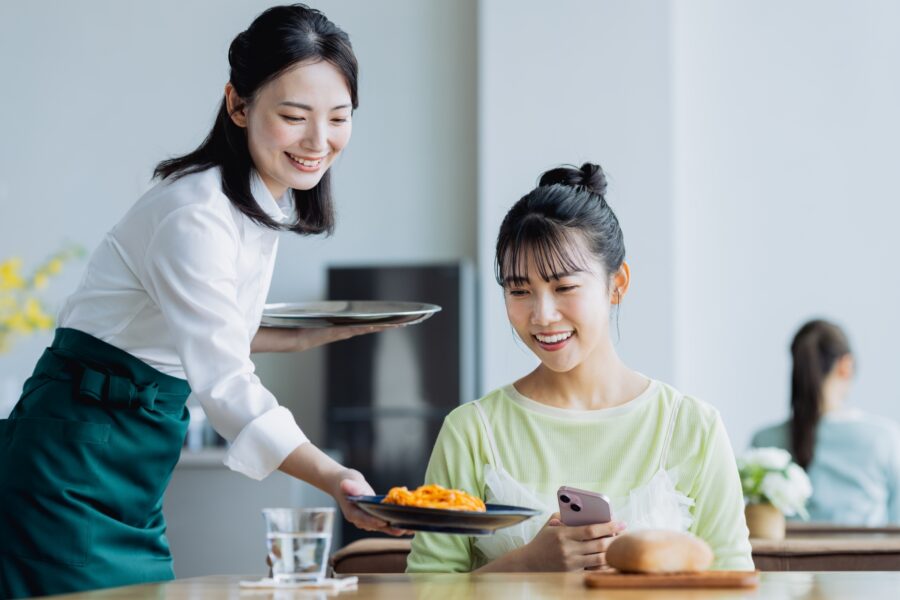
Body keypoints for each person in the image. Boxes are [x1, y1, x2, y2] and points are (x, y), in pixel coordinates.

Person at [0, 5, 402, 598]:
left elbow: (194, 327)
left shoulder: (263, 202)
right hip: (72, 456)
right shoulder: (193, 215)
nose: (320, 141)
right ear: (238, 105)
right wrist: (334, 476)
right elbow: (226, 386)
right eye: (294, 116)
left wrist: (302, 336)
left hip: (130, 460)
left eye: (339, 118)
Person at [406, 162, 753, 573]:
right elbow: (424, 589)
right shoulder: (471, 431)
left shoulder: (692, 427)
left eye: (565, 287)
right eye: (519, 290)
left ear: (617, 284)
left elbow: (735, 583)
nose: (542, 315)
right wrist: (528, 563)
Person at [752, 319, 900, 525]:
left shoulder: (764, 442)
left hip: (781, 557)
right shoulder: (884, 438)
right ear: (845, 366)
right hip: (865, 557)